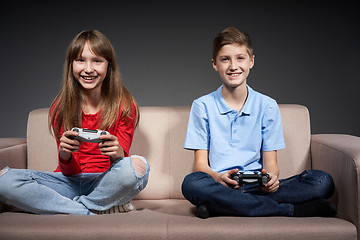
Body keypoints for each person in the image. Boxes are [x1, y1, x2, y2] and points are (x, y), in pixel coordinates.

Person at [181, 27, 336, 218]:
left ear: (251, 61)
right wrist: (219, 177)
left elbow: (271, 164)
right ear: (215, 64)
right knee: (191, 183)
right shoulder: (202, 105)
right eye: (225, 59)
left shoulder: (267, 105)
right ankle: (287, 210)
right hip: (219, 184)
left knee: (322, 181)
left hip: (257, 186)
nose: (233, 66)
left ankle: (219, 206)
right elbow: (200, 167)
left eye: (240, 58)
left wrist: (271, 179)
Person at [0, 30, 149, 215]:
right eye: (80, 60)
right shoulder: (61, 106)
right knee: (4, 181)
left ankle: (70, 206)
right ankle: (92, 210)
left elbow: (121, 168)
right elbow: (70, 172)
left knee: (139, 166)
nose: (88, 69)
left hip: (104, 182)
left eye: (97, 60)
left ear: (108, 65)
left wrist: (118, 153)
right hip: (66, 182)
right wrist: (65, 154)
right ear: (71, 65)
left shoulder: (125, 104)